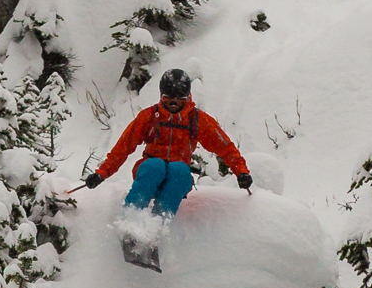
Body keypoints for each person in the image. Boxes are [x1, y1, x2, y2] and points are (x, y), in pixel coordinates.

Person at [84, 69, 253, 217]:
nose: (173, 104)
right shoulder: (150, 116)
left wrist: (241, 172)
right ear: (161, 96)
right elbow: (123, 147)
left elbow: (225, 147)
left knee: (179, 170)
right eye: (168, 99)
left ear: (187, 98)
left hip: (177, 177)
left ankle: (158, 222)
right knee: (155, 166)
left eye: (179, 100)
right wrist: (102, 173)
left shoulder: (197, 119)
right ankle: (131, 217)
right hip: (149, 172)